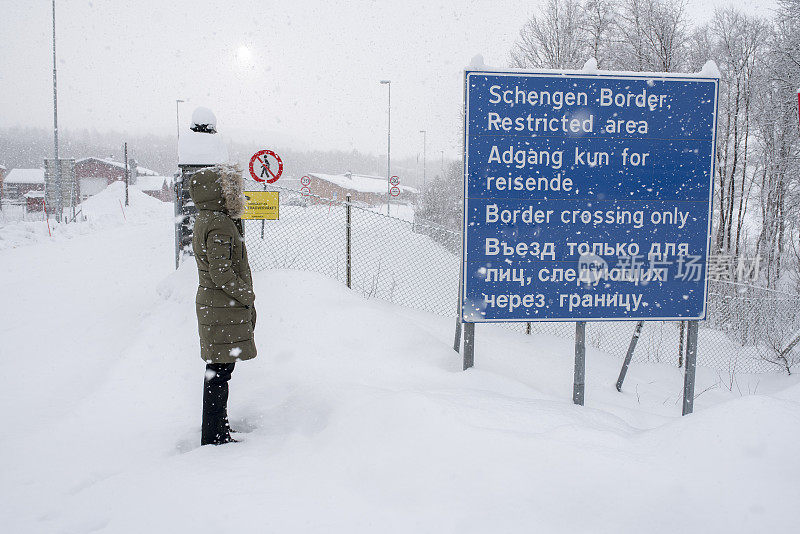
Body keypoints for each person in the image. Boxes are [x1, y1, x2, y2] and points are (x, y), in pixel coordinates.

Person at [188, 163, 257, 446]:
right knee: (219, 374)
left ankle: (217, 428)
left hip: (215, 306)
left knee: (217, 372)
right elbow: (221, 272)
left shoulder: (206, 218)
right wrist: (247, 296)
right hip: (222, 307)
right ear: (218, 192)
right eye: (230, 188)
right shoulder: (219, 223)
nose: (236, 193)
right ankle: (215, 436)